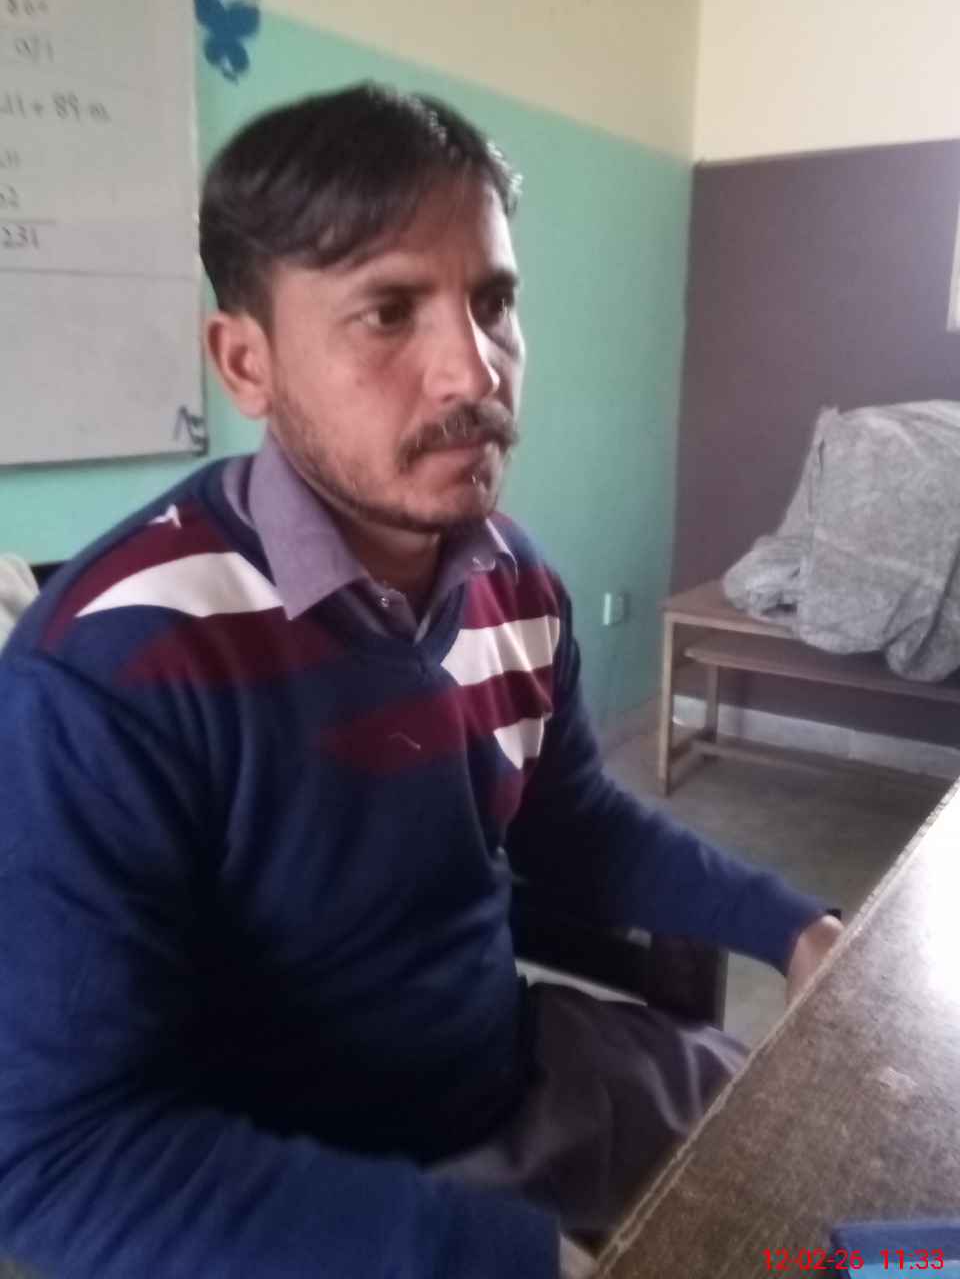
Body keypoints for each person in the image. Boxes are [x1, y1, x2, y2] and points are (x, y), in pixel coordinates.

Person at [0, 84, 841, 1279]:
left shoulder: (513, 581)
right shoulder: (107, 673)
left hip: (515, 1081)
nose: (471, 371)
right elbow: (58, 1162)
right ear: (246, 360)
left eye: (493, 303)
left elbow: (568, 822)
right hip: (293, 1203)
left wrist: (792, 925)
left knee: (836, 1199)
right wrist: (505, 1257)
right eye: (389, 311)